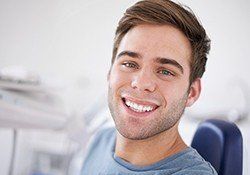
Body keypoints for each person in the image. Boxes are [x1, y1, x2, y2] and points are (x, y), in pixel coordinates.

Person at [81, 0, 217, 174]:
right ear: (110, 72)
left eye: (166, 71)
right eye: (130, 64)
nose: (141, 83)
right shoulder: (102, 140)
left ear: (192, 92)